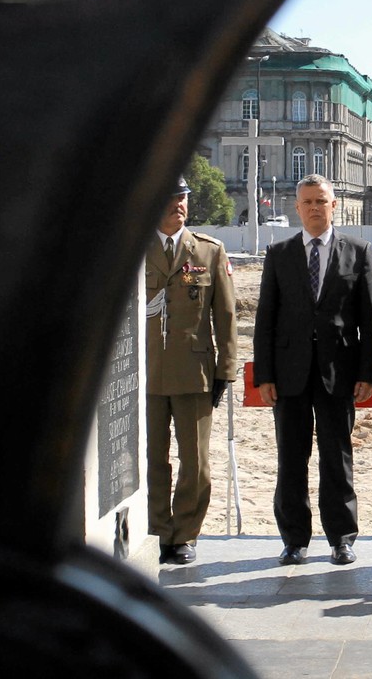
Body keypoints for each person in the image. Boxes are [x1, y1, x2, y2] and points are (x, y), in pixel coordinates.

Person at [253, 174, 372, 566]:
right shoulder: (279, 253)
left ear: (334, 204)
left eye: (321, 201)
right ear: (297, 207)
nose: (314, 208)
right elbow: (265, 319)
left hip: (337, 372)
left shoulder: (357, 252)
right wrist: (265, 375)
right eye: (307, 202)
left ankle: (341, 537)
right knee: (291, 458)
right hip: (289, 374)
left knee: (336, 457)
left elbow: (370, 320)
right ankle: (294, 539)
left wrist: (368, 374)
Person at [145, 176, 238, 565]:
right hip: (143, 374)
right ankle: (156, 529)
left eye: (182, 197)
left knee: (195, 461)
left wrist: (225, 370)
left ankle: (184, 533)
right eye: (170, 197)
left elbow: (226, 314)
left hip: (194, 371)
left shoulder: (208, 251)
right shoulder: (133, 248)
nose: (178, 204)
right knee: (150, 458)